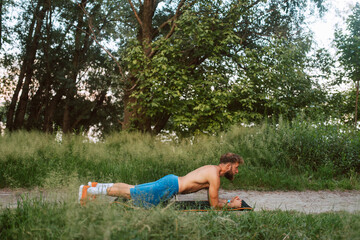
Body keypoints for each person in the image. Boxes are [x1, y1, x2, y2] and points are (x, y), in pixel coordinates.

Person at [79, 152, 244, 208]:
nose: (236, 171)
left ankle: (95, 186)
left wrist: (229, 200)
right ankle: (89, 191)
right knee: (132, 193)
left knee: (132, 188)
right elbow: (214, 206)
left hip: (170, 181)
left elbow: (213, 199)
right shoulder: (214, 176)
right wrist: (233, 205)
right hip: (170, 186)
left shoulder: (211, 170)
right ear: (228, 166)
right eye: (236, 168)